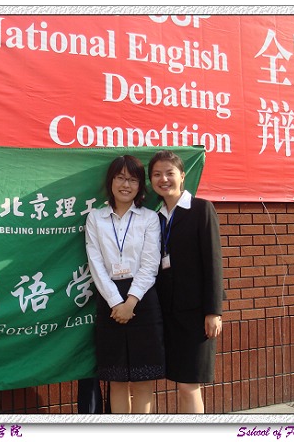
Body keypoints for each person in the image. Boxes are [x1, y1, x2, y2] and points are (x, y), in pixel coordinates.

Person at [84, 155, 164, 413]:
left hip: (142, 299)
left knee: (143, 379)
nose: (126, 185)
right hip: (109, 300)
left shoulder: (149, 218)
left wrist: (130, 302)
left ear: (140, 185)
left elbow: (150, 264)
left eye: (133, 179)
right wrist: (116, 302)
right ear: (111, 181)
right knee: (116, 379)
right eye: (120, 178)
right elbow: (95, 263)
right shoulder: (95, 218)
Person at [148, 150, 224, 413]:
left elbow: (213, 261)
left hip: (195, 313)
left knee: (189, 385)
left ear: (182, 176)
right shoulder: (155, 217)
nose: (163, 179)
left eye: (169, 173)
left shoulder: (201, 209)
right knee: (178, 381)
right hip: (166, 312)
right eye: (157, 174)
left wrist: (213, 311)